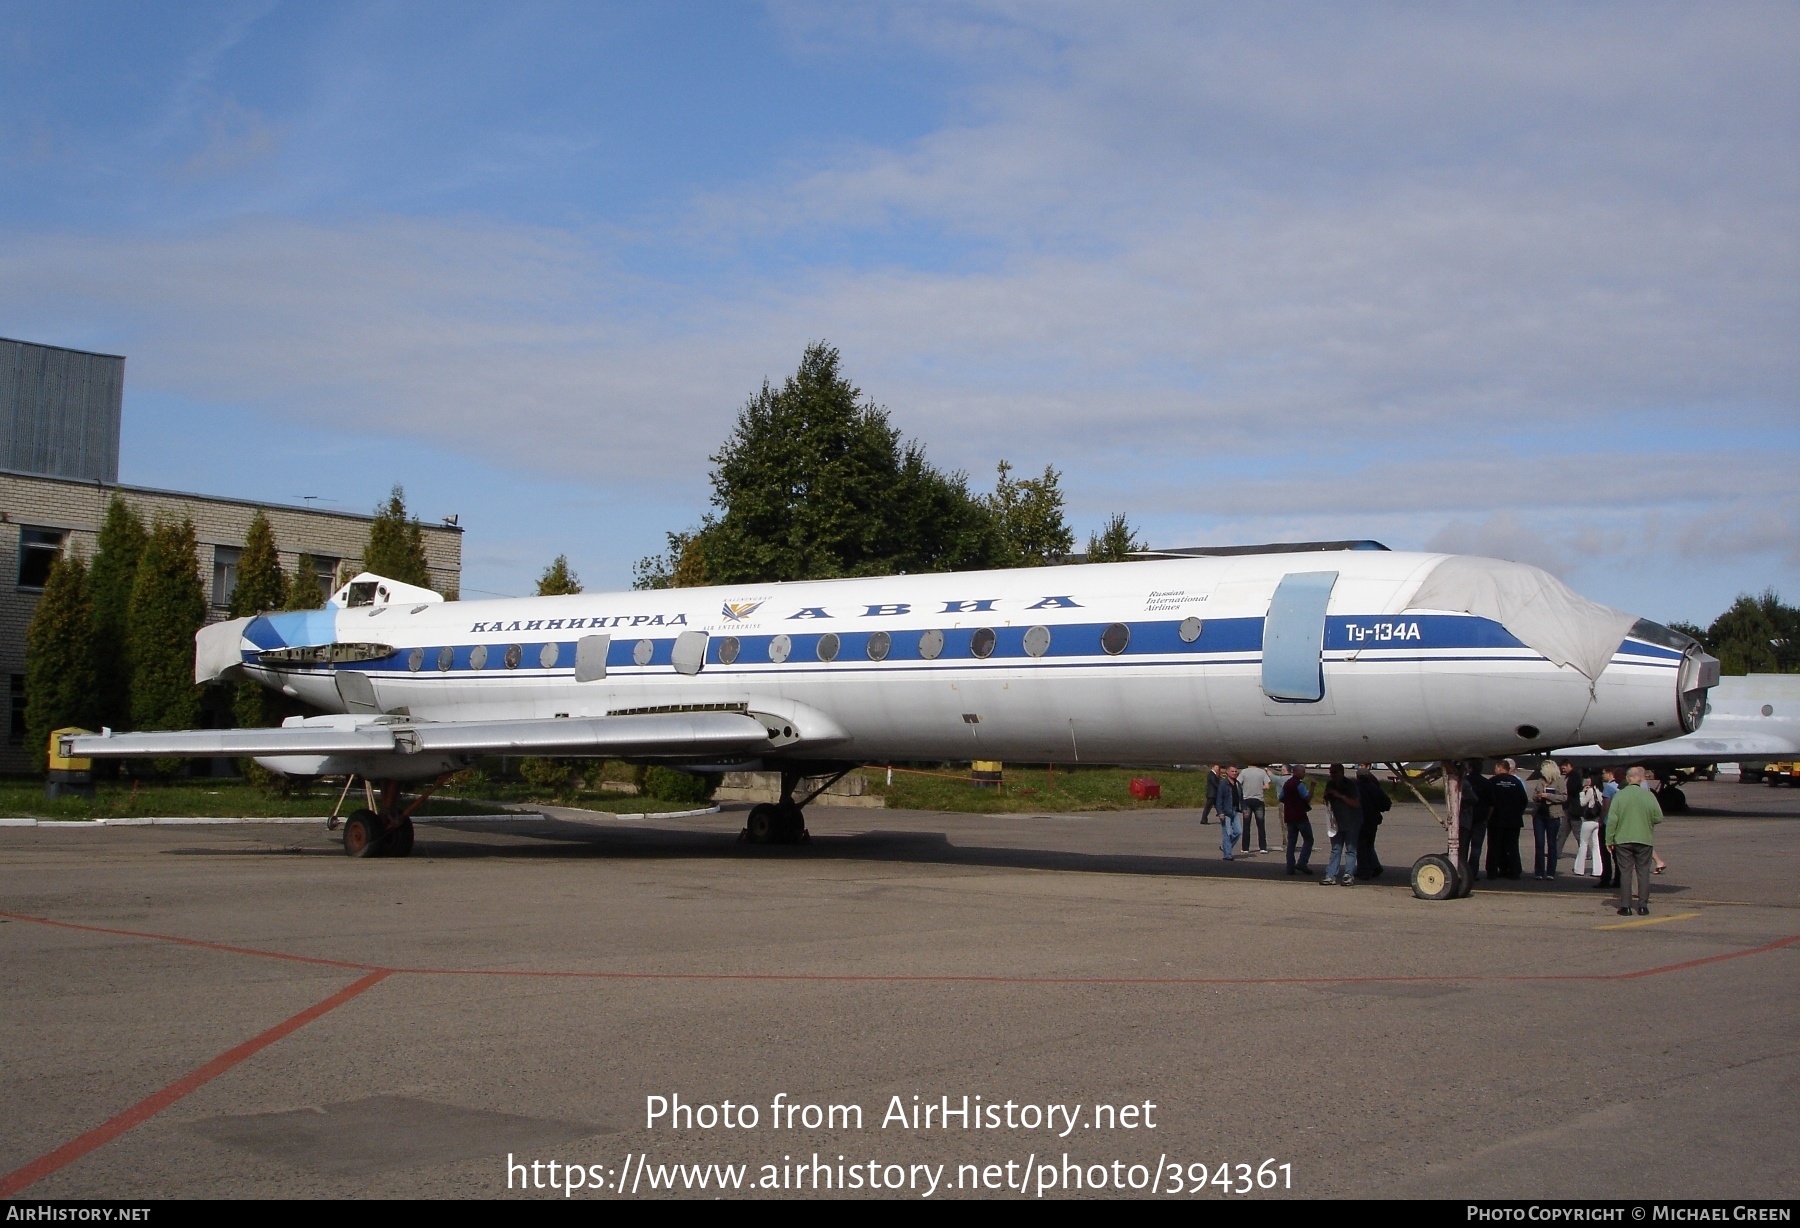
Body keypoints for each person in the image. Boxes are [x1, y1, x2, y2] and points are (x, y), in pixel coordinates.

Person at [1605, 765, 1664, 916]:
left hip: (1623, 839)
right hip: (1644, 839)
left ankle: (1626, 906)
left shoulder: (1620, 795)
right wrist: (1646, 821)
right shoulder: (1648, 796)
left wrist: (1609, 839)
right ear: (1642, 778)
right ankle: (1643, 906)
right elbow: (1659, 817)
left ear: (1627, 778)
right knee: (1643, 873)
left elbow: (1612, 820)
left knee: (1625, 872)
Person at [1485, 758, 1529, 881]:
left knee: (1494, 847)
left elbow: (1488, 800)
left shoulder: (1492, 782)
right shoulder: (1516, 782)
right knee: (1513, 847)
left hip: (1496, 820)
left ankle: (1492, 872)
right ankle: (1514, 872)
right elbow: (1524, 801)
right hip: (1513, 820)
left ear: (1499, 767)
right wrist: (1517, 813)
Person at [1321, 764, 1363, 885]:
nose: (1332, 775)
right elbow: (1325, 800)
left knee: (1350, 849)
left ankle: (1348, 874)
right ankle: (1331, 875)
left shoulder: (1350, 785)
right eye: (1331, 773)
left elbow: (1356, 803)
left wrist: (1340, 796)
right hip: (1336, 822)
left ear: (1341, 772)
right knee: (1336, 848)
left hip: (1352, 822)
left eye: (1335, 772)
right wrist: (1327, 796)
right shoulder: (1330, 784)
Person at [1353, 765, 1390, 879]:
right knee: (1369, 844)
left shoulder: (1356, 788)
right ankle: (1375, 866)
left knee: (1361, 846)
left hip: (1360, 820)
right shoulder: (1374, 788)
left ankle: (1364, 871)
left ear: (1358, 776)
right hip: (1373, 820)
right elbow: (1386, 803)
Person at [1279, 764, 1315, 875]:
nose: (1304, 774)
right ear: (1297, 772)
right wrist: (1312, 787)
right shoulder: (1299, 785)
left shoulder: (1287, 784)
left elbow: (1281, 797)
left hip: (1289, 816)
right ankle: (1302, 862)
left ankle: (1290, 866)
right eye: (1303, 771)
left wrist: (1290, 803)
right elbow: (1307, 798)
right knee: (1309, 839)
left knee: (1291, 842)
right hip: (1300, 816)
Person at [1458, 760, 1490, 880]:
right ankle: (1472, 873)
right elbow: (1491, 803)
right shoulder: (1486, 782)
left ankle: (1462, 870)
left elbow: (1473, 798)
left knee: (1463, 847)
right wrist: (1487, 817)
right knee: (1476, 848)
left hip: (1467, 819)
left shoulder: (1465, 782)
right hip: (1480, 818)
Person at [1593, 768, 1623, 890]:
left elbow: (1606, 806)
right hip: (1619, 823)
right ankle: (1618, 878)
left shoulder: (1609, 787)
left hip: (1608, 823)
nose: (1602, 775)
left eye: (1604, 773)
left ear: (1611, 774)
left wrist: (1600, 819)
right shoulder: (1621, 787)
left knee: (1605, 852)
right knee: (1617, 854)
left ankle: (1606, 878)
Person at [1571, 771, 1606, 877]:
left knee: (1583, 843)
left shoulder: (1591, 790)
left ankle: (1579, 869)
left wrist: (1582, 793)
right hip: (1597, 820)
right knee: (1596, 845)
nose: (1587, 780)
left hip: (1588, 820)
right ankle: (1598, 870)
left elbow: (1583, 803)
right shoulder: (1601, 790)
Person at [1530, 764, 1561, 880]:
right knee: (1539, 843)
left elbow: (1564, 797)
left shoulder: (1559, 781)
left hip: (1553, 815)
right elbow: (1533, 796)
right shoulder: (1540, 781)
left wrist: (1549, 796)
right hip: (1539, 814)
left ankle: (1550, 872)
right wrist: (1538, 796)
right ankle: (1539, 871)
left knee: (1552, 844)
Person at [1238, 764, 1271, 854]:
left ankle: (1245, 848)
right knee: (1260, 825)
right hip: (1258, 800)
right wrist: (1260, 786)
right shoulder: (1262, 772)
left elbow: (1238, 784)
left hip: (1246, 800)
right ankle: (1263, 847)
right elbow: (1267, 786)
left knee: (1246, 825)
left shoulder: (1244, 772)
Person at [1215, 765, 1243, 861]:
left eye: (1236, 771)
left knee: (1238, 832)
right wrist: (1220, 812)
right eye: (1232, 771)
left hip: (1235, 810)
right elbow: (1219, 799)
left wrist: (1244, 809)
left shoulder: (1238, 784)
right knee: (1227, 833)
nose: (1234, 773)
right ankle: (1227, 855)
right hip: (1226, 811)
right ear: (1227, 772)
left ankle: (1226, 847)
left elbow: (1241, 798)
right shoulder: (1223, 784)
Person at [1556, 759, 1582, 859]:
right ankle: (1557, 852)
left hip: (1573, 808)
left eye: (1564, 767)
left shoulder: (1574, 776)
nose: (1563, 770)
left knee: (1577, 832)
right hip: (1568, 808)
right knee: (1563, 831)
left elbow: (1573, 789)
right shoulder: (1569, 776)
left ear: (1569, 766)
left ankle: (1587, 852)